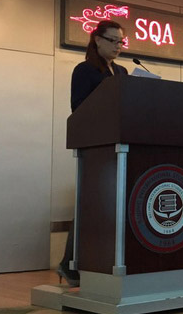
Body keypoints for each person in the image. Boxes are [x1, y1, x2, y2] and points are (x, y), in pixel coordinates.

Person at [58, 20, 128, 287]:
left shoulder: (121, 71)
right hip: (97, 148)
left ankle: (103, 261)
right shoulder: (85, 70)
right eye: (113, 40)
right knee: (91, 205)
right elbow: (79, 108)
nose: (118, 46)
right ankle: (71, 264)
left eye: (121, 41)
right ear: (97, 40)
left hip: (120, 148)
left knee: (110, 206)